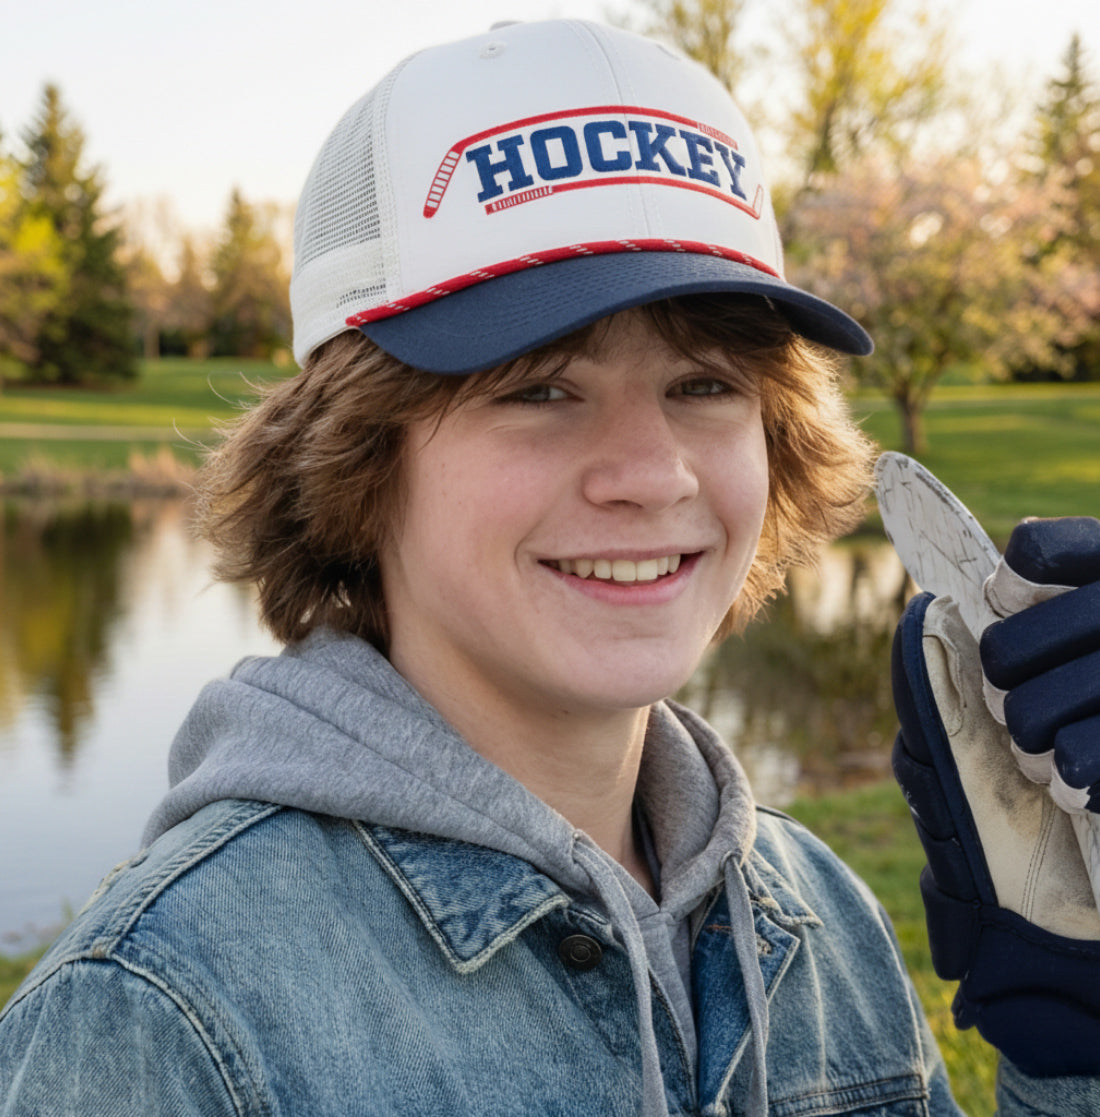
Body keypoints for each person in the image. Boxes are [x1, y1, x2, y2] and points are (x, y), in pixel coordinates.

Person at [1, 18, 1098, 1117]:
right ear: (355, 454)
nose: (653, 474)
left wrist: (1072, 1034)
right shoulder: (161, 1015)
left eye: (705, 384)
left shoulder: (818, 924)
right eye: (539, 387)